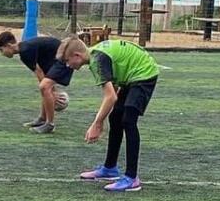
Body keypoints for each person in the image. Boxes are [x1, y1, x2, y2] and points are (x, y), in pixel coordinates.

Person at [60, 37, 159, 192]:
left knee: (128, 121)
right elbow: (113, 89)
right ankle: (110, 168)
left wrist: (97, 124)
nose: (68, 65)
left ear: (77, 55)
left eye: (67, 60)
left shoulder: (97, 60)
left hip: (143, 73)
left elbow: (110, 97)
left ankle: (132, 178)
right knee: (116, 117)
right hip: (132, 75)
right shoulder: (96, 55)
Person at [0, 31, 74, 132]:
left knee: (45, 88)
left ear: (9, 45)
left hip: (65, 58)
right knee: (45, 88)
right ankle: (42, 119)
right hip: (58, 57)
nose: (2, 54)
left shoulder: (25, 51)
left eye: (1, 50)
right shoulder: (25, 48)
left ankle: (49, 124)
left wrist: (53, 92)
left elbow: (39, 73)